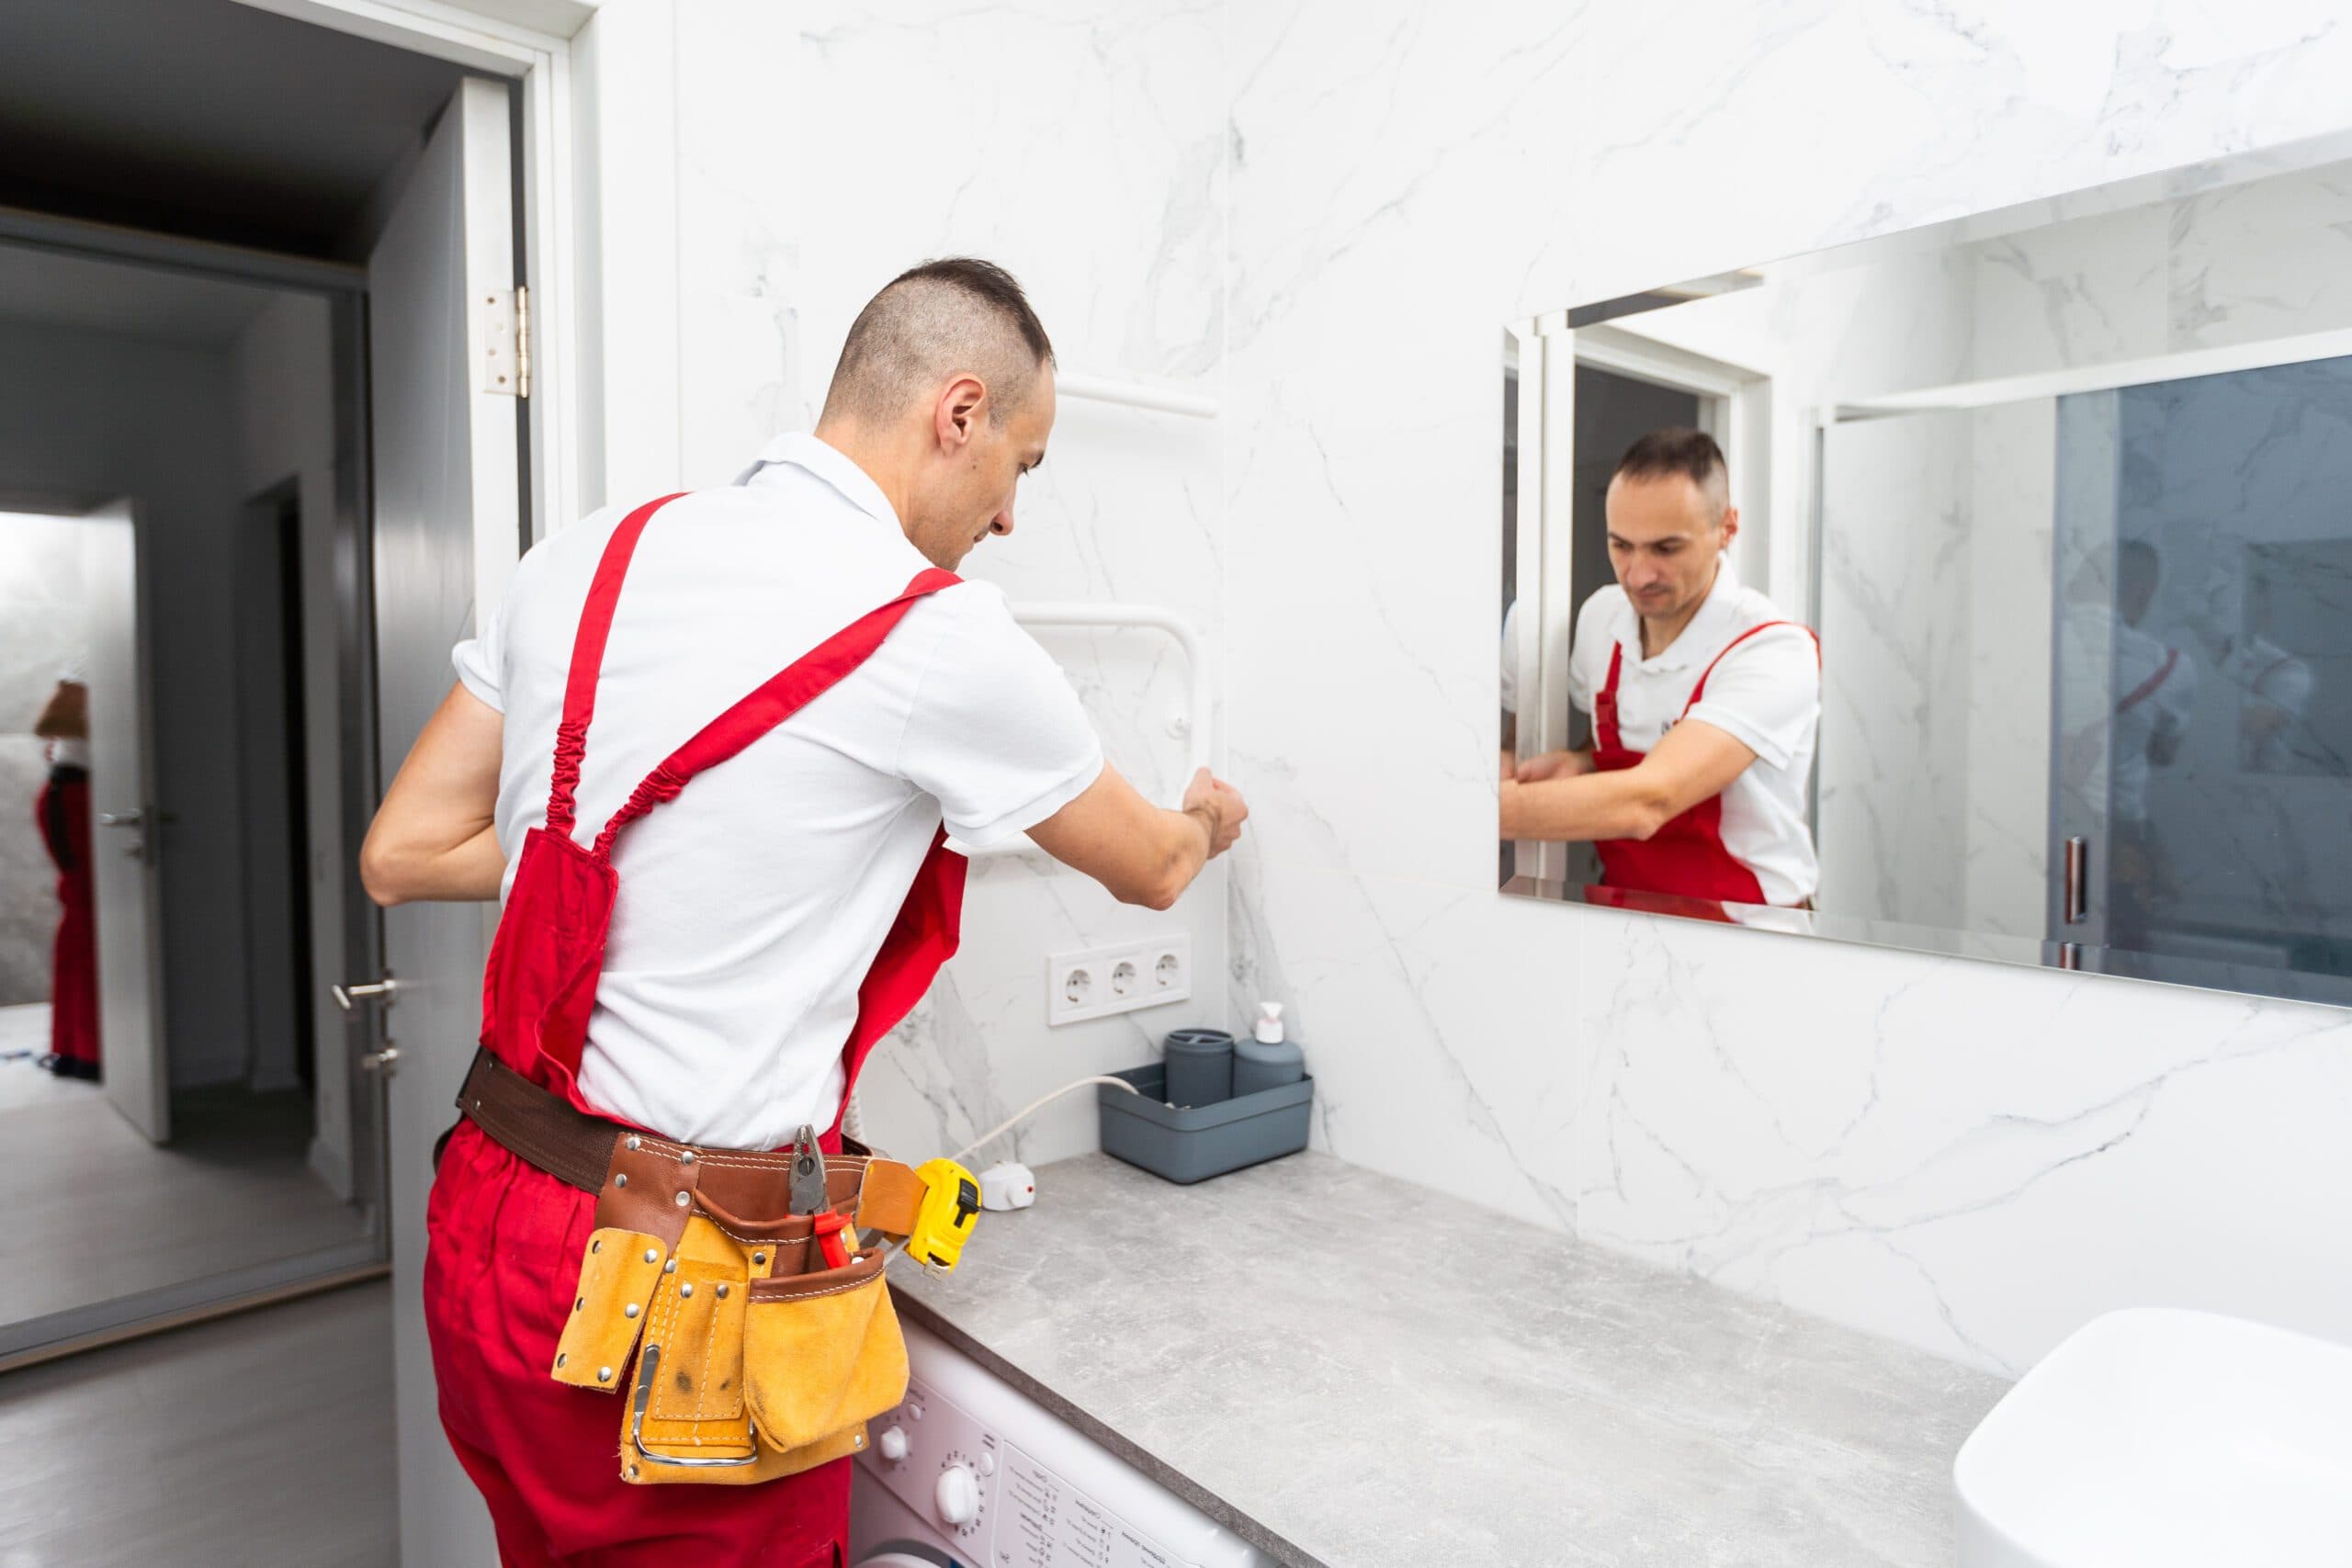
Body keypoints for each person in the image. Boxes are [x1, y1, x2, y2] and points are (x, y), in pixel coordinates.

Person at [359, 258, 1249, 1565]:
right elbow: (1155, 866)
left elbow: (404, 846)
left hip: (489, 1222)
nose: (1010, 517)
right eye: (1025, 461)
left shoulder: (580, 558)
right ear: (958, 412)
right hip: (673, 1292)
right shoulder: (936, 636)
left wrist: (655, 843)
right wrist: (1210, 815)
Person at [1499, 428, 1820, 910]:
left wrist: (1462, 809)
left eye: (1666, 549)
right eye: (1621, 546)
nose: (1638, 574)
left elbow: (1649, 800)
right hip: (1626, 914)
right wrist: (1582, 762)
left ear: (1727, 529)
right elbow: (1625, 734)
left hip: (1749, 931)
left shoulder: (1772, 649)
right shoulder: (1601, 618)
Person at [32, 673, 99, 1080]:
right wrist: (125, 728)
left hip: (80, 795)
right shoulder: (89, 659)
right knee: (88, 922)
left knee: (89, 924)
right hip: (73, 799)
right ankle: (83, 1052)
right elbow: (50, 724)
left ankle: (77, 1049)